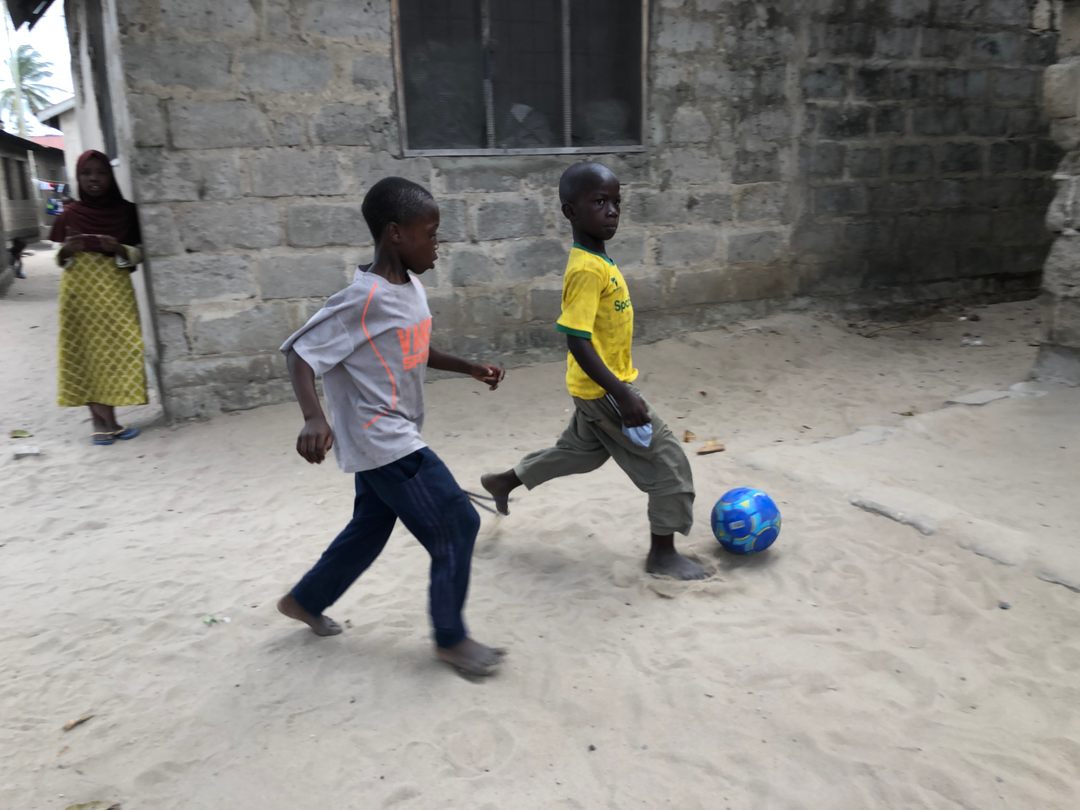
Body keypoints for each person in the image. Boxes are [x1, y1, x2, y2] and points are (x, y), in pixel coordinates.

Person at [276, 177, 507, 677]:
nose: (438, 243)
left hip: (393, 431)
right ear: (396, 233)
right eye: (432, 232)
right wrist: (313, 416)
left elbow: (413, 347)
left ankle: (305, 599)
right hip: (383, 438)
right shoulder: (363, 298)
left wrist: (468, 367)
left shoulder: (411, 288)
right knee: (458, 524)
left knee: (369, 528)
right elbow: (300, 353)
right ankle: (451, 638)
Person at [482, 161, 707, 581]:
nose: (612, 211)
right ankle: (662, 555)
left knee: (580, 454)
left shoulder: (597, 260)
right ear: (571, 211)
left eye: (617, 202)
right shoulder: (586, 269)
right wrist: (622, 394)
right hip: (606, 391)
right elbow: (577, 340)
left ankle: (505, 482)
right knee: (668, 462)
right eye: (600, 202)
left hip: (593, 388)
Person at [52, 150, 146, 445]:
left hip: (115, 291)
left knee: (119, 350)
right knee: (87, 353)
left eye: (101, 172)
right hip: (79, 294)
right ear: (78, 178)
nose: (94, 179)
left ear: (110, 176)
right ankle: (102, 424)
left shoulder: (126, 212)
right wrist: (68, 250)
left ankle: (109, 423)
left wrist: (118, 248)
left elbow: (139, 254)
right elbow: (60, 258)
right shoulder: (70, 214)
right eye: (86, 173)